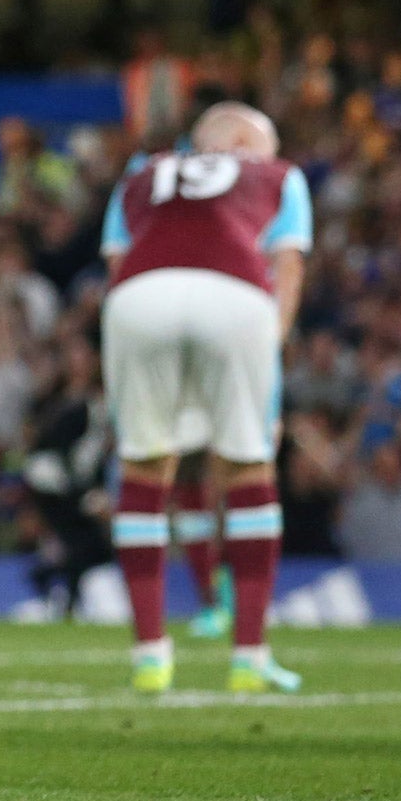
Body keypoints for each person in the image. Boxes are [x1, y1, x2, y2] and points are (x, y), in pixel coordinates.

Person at [99, 102, 311, 695]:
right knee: (247, 469)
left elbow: (117, 261)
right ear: (244, 140)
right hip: (234, 290)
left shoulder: (140, 174)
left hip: (139, 294)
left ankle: (150, 656)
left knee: (144, 466)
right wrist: (271, 345)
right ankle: (249, 655)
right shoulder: (279, 175)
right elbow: (287, 263)